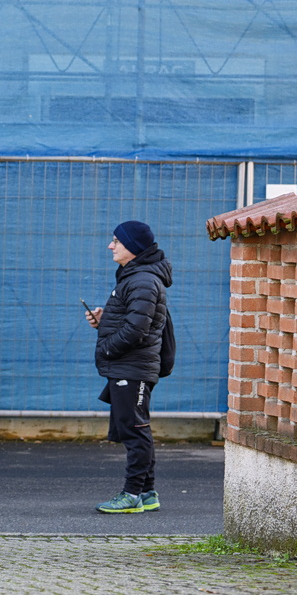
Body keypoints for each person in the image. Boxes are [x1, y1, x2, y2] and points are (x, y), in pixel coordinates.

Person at [85, 220, 172, 513]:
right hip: (129, 367)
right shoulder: (134, 277)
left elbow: (137, 330)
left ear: (133, 247)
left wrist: (107, 347)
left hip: (132, 369)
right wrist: (103, 322)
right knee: (135, 428)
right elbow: (133, 320)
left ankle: (132, 494)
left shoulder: (143, 280)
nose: (110, 246)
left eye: (116, 241)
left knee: (135, 431)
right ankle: (147, 493)